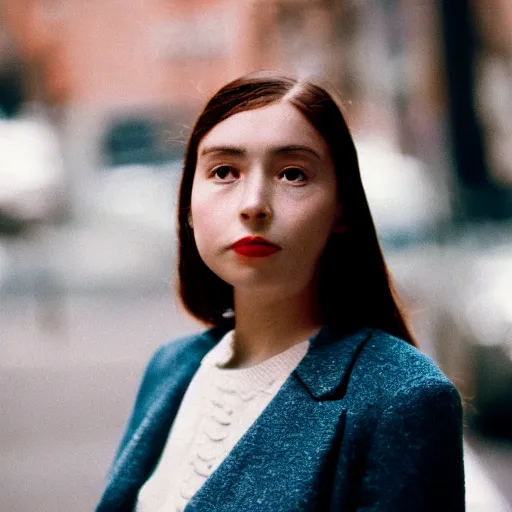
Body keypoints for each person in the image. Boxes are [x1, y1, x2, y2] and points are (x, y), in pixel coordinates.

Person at [96, 71, 465, 512]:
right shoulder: (171, 367)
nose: (253, 203)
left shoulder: (401, 397)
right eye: (224, 171)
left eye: (292, 174)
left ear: (341, 210)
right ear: (188, 206)